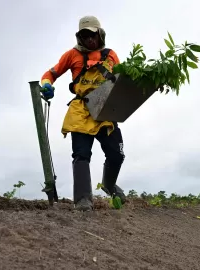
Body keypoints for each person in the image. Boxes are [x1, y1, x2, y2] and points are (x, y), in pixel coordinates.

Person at [40, 16, 126, 211]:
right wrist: (46, 85)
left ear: (99, 34)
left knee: (117, 155)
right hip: (82, 110)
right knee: (81, 155)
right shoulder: (71, 55)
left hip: (104, 110)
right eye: (84, 35)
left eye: (92, 35)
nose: (89, 39)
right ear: (79, 37)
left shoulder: (111, 55)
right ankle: (83, 200)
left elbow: (121, 79)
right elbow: (50, 74)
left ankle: (109, 185)